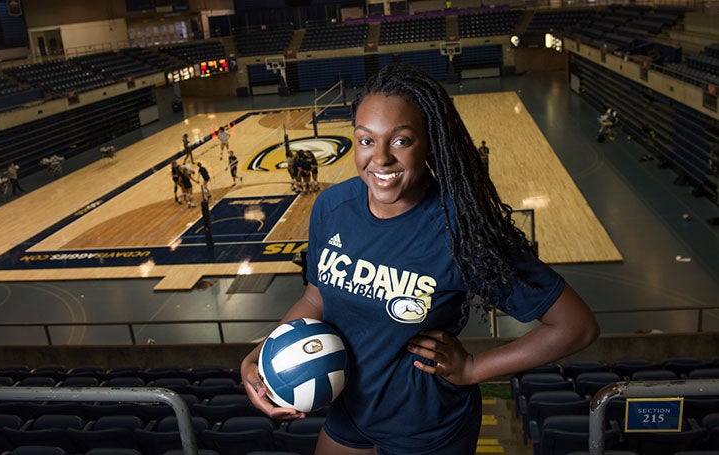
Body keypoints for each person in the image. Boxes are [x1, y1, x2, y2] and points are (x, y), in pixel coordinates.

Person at [240, 64, 599, 455]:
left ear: (429, 143)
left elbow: (575, 326)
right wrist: (266, 353)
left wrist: (473, 369)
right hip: (350, 409)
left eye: (400, 141)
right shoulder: (331, 207)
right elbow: (316, 297)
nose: (379, 159)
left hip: (427, 428)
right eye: (365, 140)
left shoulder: (461, 226)